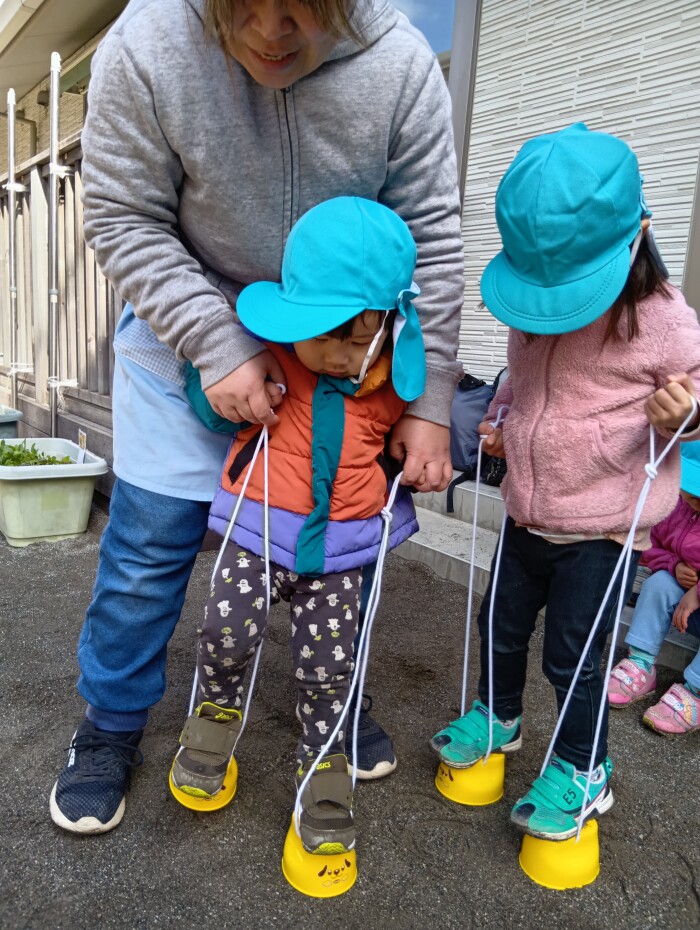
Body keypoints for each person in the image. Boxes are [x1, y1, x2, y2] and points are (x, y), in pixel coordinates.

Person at [49, 0, 464, 836]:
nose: (272, 31)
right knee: (148, 548)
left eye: (305, 7)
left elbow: (431, 239)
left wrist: (430, 402)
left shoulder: (401, 63)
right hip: (186, 329)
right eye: (242, 5)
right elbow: (124, 215)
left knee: (344, 550)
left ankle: (336, 708)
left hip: (350, 354)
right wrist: (215, 339)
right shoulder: (145, 45)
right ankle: (110, 725)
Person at [430, 123, 700, 841]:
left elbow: (696, 388)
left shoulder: (662, 317)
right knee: (499, 623)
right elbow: (521, 383)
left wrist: (687, 412)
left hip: (604, 527)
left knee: (573, 656)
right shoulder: (533, 302)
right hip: (527, 509)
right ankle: (500, 715)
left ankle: (585, 766)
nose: (551, 302)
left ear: (638, 235)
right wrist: (499, 419)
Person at [170, 196, 424, 854]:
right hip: (254, 536)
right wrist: (222, 383)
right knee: (224, 633)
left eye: (357, 340)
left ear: (388, 327)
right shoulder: (271, 357)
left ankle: (325, 763)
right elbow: (211, 403)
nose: (337, 356)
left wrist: (434, 448)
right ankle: (213, 719)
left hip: (339, 555)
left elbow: (424, 433)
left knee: (329, 670)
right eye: (323, 336)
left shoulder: (397, 385)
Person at [608, 441, 700, 735]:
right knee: (659, 583)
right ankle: (641, 662)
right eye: (691, 489)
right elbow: (648, 543)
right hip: (685, 601)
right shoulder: (675, 506)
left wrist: (697, 593)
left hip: (694, 599)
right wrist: (673, 565)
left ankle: (696, 691)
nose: (695, 499)